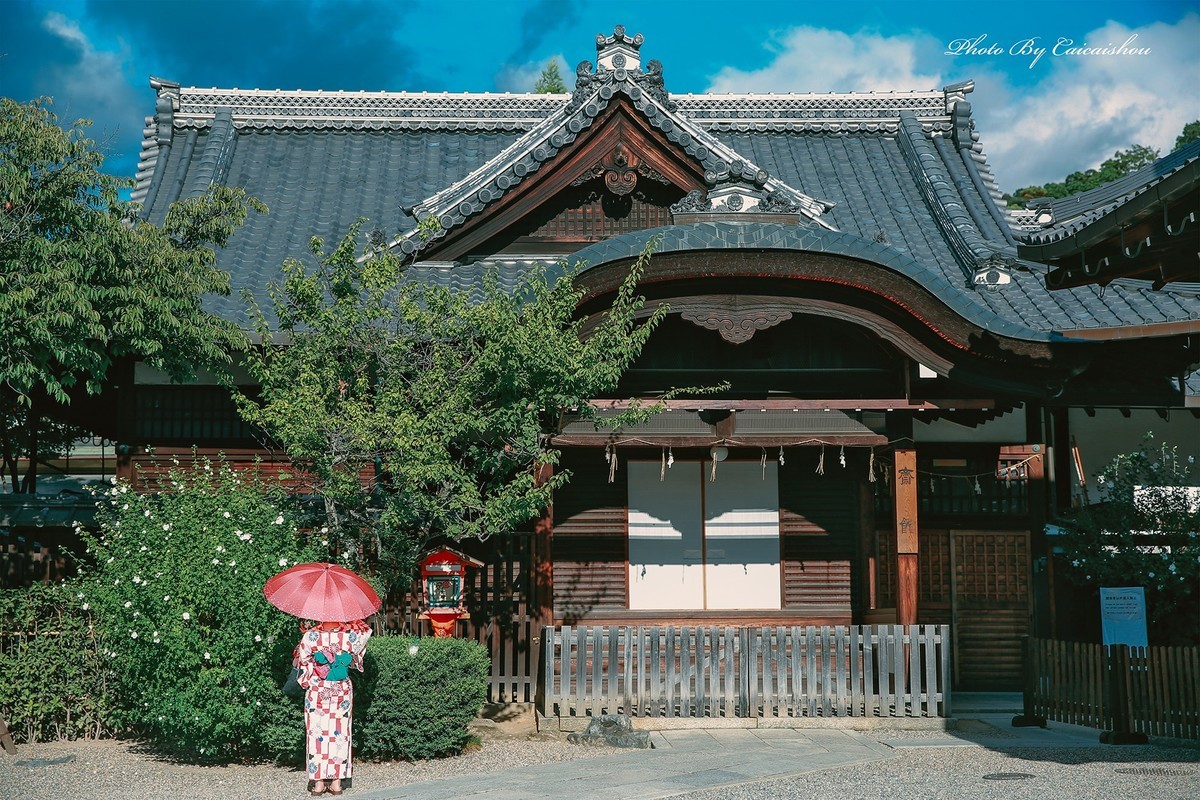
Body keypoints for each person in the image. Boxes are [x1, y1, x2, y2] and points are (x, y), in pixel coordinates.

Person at [295, 618, 371, 796]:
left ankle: (319, 783)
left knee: (316, 733)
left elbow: (302, 663)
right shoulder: (350, 636)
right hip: (341, 690)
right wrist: (341, 658)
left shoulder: (311, 636)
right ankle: (337, 782)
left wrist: (315, 669)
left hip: (318, 689)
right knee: (340, 733)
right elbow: (356, 661)